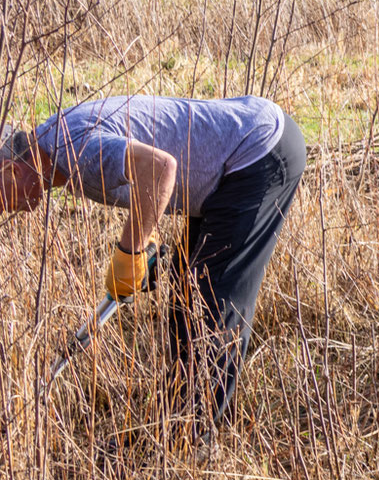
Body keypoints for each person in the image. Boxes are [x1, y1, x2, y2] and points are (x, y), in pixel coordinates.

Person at [0, 93, 307, 424]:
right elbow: (146, 175)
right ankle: (177, 421)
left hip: (258, 153)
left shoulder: (72, 148)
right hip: (224, 175)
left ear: (11, 169)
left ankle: (192, 439)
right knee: (183, 295)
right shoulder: (58, 146)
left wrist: (130, 252)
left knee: (210, 308)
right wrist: (147, 246)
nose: (2, 208)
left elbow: (161, 168)